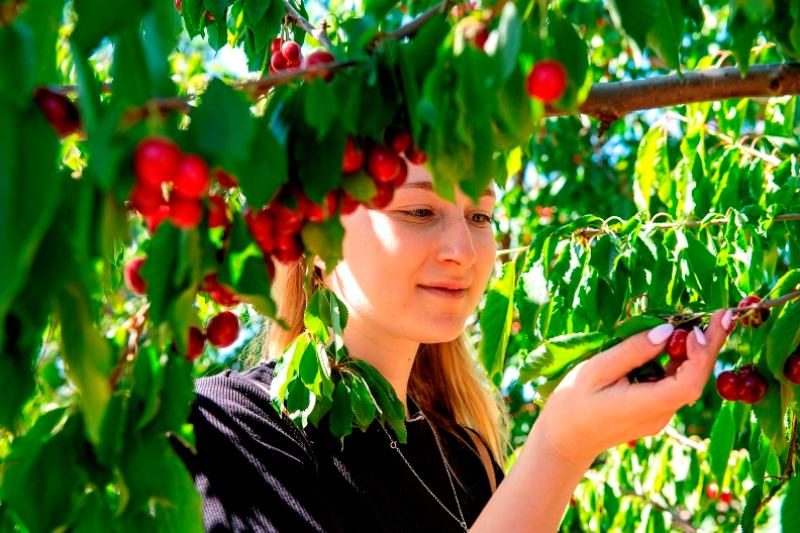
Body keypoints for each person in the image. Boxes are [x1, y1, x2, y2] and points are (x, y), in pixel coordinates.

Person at [171, 159, 734, 532]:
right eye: (419, 212)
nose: (463, 250)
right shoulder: (224, 427)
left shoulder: (470, 457)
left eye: (479, 215)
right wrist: (560, 451)